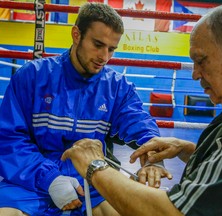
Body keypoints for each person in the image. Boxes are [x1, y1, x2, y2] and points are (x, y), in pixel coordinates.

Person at [62, 3, 222, 216]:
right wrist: (191, 150)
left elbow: (172, 213)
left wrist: (95, 166)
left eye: (201, 60)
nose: (195, 74)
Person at [0, 2, 172, 216]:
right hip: (30, 183)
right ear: (76, 35)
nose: (104, 56)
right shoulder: (31, 77)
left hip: (92, 181)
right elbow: (9, 139)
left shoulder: (117, 88)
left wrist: (153, 160)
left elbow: (141, 126)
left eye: (111, 49)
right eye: (98, 44)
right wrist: (49, 178)